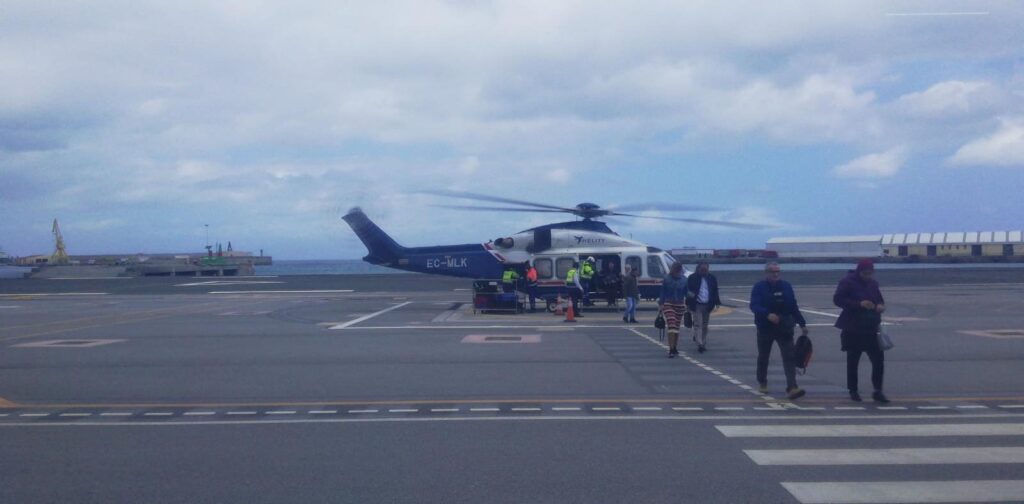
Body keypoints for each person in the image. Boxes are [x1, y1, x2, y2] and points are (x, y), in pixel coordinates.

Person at [749, 262, 807, 400]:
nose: (775, 274)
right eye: (772, 271)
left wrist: (802, 323)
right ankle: (762, 381)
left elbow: (793, 305)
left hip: (784, 327)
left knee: (789, 357)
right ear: (766, 273)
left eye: (777, 271)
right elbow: (754, 305)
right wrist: (767, 314)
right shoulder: (759, 287)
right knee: (764, 356)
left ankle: (792, 387)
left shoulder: (786, 286)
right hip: (765, 327)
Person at [833, 259, 888, 403]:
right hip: (853, 327)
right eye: (865, 273)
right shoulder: (847, 282)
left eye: (870, 273)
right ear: (859, 271)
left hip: (871, 327)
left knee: (878, 361)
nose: (868, 276)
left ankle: (878, 390)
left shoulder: (873, 283)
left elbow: (880, 300)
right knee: (853, 360)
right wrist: (859, 304)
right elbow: (838, 299)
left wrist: (880, 306)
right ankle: (853, 390)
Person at [686, 261, 721, 353]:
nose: (704, 271)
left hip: (708, 304)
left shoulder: (712, 278)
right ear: (698, 269)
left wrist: (717, 302)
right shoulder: (692, 278)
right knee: (698, 324)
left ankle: (703, 341)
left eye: (705, 269)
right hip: (696, 304)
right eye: (702, 269)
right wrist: (688, 304)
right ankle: (700, 343)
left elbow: (715, 291)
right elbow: (688, 291)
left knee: (705, 325)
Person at [658, 262, 688, 357]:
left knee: (676, 327)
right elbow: (663, 293)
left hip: (679, 304)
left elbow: (686, 292)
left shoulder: (682, 279)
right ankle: (671, 348)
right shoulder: (670, 279)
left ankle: (674, 347)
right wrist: (661, 304)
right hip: (669, 303)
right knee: (672, 325)